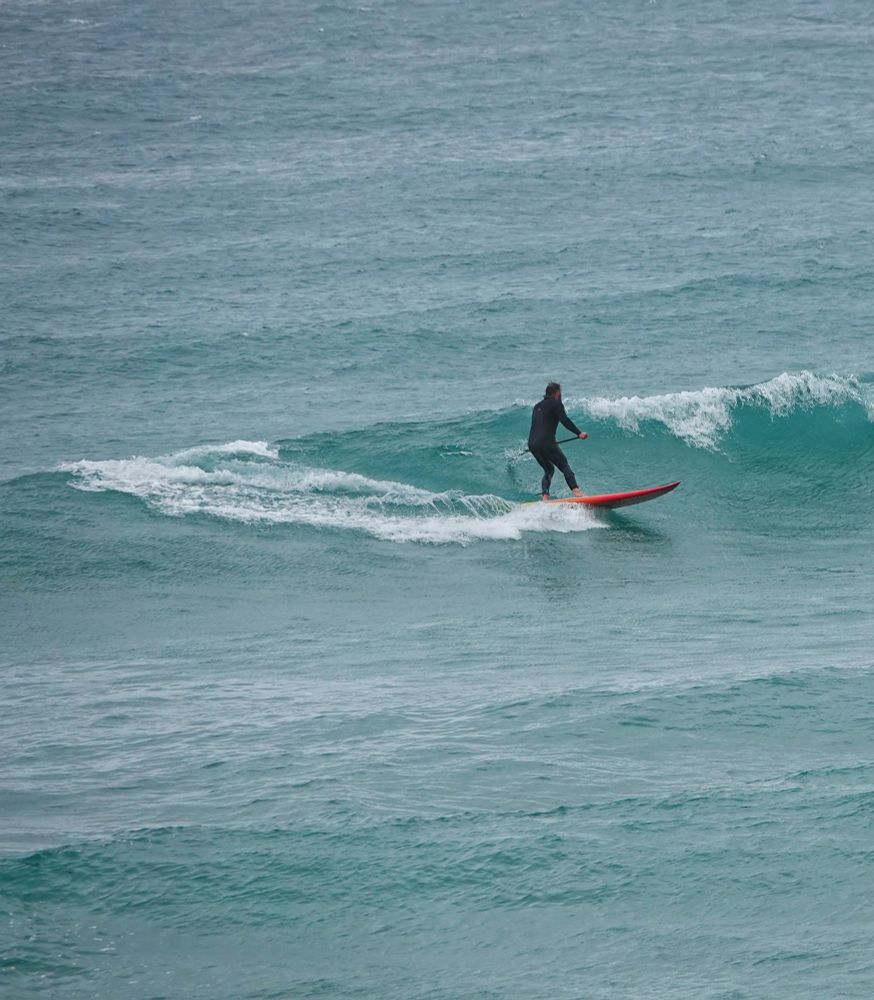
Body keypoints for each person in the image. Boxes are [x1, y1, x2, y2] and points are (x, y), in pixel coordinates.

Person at [528, 382, 588, 500]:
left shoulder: (536, 406)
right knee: (564, 465)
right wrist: (579, 433)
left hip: (532, 444)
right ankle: (577, 492)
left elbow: (540, 426)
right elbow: (564, 420)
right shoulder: (556, 404)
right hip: (546, 442)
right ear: (557, 393)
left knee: (549, 469)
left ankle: (545, 496)